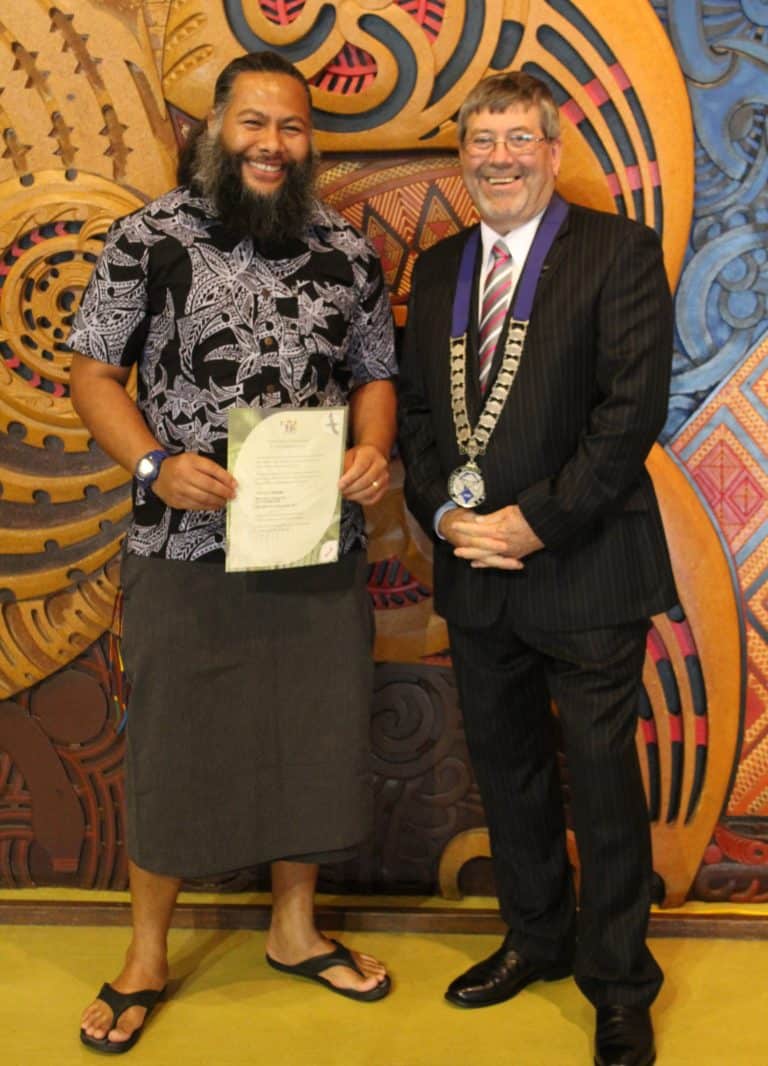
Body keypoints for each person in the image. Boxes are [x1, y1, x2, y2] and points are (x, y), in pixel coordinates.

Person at [67, 50, 397, 1053]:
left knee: (311, 733)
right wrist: (154, 463)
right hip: (181, 539)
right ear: (216, 129)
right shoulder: (148, 237)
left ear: (309, 142)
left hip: (311, 543)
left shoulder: (348, 247)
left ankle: (294, 930)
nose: (271, 142)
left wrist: (376, 449)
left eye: (292, 126)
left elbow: (376, 371)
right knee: (173, 742)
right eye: (253, 122)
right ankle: (146, 953)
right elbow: (91, 369)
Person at [398, 71, 677, 1066]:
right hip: (475, 569)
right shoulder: (435, 272)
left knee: (602, 783)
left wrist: (535, 524)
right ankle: (535, 938)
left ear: (553, 154)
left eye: (520, 140)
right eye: (483, 141)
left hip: (588, 568)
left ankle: (618, 983)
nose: (501, 158)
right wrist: (446, 516)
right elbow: (422, 422)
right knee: (509, 771)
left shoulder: (617, 253)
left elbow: (628, 415)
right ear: (463, 157)